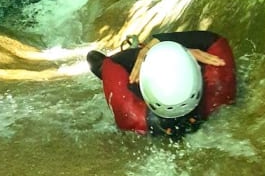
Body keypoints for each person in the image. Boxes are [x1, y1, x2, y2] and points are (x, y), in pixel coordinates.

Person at [87, 30, 237, 137]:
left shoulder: (130, 115)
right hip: (129, 63)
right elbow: (212, 39)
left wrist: (174, 48)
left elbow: (214, 40)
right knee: (101, 63)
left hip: (145, 64)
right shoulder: (220, 86)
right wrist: (155, 48)